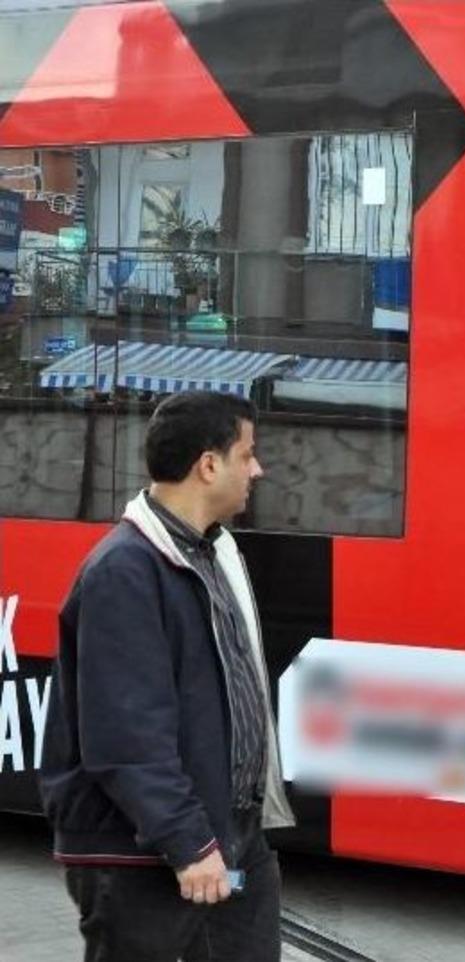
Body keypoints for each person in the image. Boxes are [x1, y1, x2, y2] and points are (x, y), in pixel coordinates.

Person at [39, 390, 295, 962]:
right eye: (247, 454)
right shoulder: (124, 571)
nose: (258, 469)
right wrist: (189, 843)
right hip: (150, 852)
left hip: (232, 835)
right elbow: (127, 737)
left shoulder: (211, 554)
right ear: (209, 465)